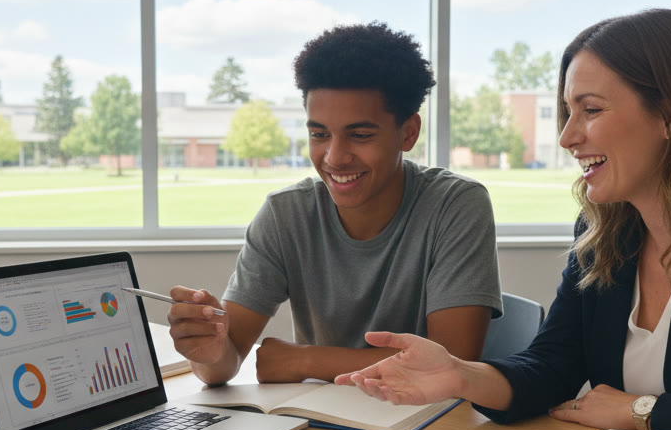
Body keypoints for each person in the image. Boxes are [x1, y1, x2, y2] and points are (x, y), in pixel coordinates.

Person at [335, 9, 671, 430]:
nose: (567, 137)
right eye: (567, 112)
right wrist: (461, 376)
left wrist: (640, 411)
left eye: (591, 110)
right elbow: (551, 367)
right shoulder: (607, 231)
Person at [168, 22, 503, 386]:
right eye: (319, 135)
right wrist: (209, 350)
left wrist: (305, 360)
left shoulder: (455, 206)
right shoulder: (286, 216)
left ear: (408, 132)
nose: (335, 157)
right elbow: (223, 364)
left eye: (359, 135)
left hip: (428, 427)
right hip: (321, 429)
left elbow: (452, 363)